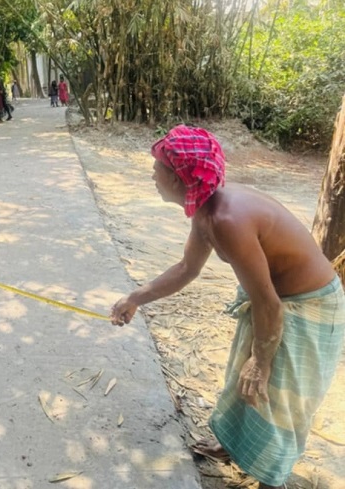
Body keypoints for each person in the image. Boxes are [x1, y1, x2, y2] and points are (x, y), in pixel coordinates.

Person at [110, 125, 345, 489]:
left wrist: (262, 361)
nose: (151, 174)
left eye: (157, 167)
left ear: (177, 178)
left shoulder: (226, 220)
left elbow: (268, 304)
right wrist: (134, 298)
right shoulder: (207, 210)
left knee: (272, 392)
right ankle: (233, 444)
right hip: (275, 302)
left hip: (309, 303)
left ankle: (272, 477)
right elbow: (187, 269)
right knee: (242, 375)